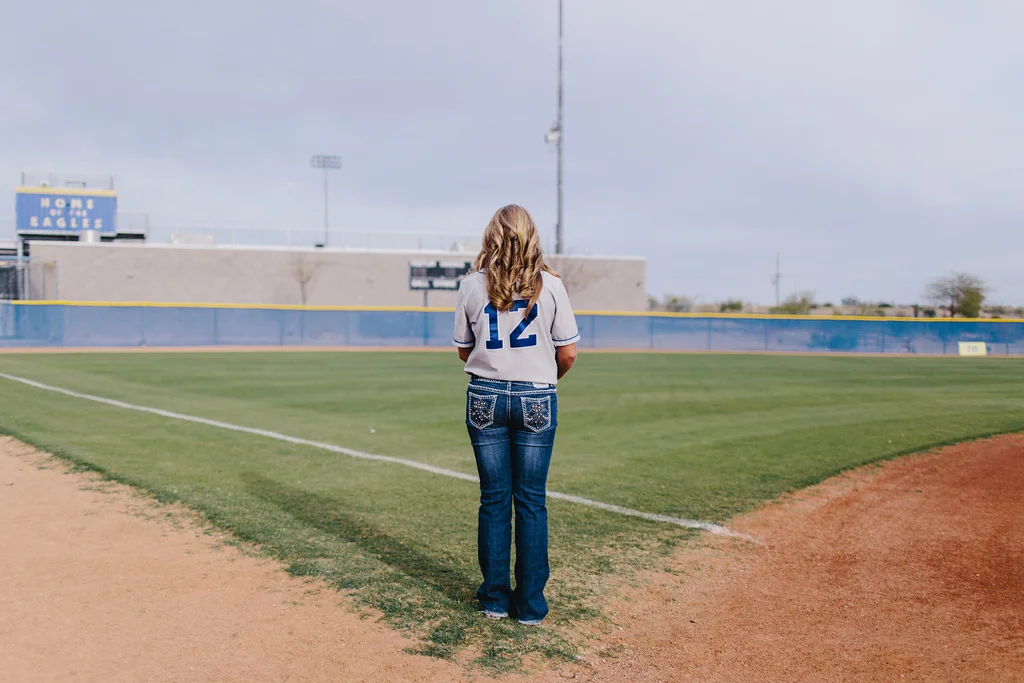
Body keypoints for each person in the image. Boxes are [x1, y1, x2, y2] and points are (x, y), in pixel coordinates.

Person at [453, 204, 579, 626]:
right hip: (537, 397)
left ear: (492, 236)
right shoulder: (552, 286)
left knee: (494, 500)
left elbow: (463, 349)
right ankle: (529, 607)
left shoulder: (471, 285)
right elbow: (569, 353)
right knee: (530, 502)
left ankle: (493, 599)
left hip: (484, 394)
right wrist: (543, 375)